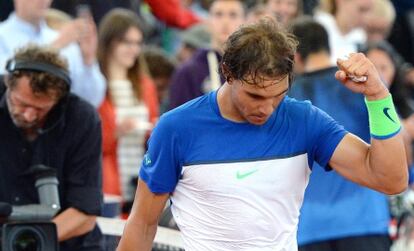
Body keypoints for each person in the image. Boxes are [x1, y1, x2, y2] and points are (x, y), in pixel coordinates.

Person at [104, 19, 407, 251]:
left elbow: (391, 180)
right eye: (255, 95)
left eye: (278, 96)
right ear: (227, 72)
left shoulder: (304, 120)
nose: (266, 108)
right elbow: (142, 223)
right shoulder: (176, 129)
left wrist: (378, 97)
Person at [288, 16, 407, 251]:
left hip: (309, 229)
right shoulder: (360, 86)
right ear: (327, 47)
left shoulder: (285, 99)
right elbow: (395, 145)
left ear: (294, 55)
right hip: (364, 221)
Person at [0, 45, 104, 251]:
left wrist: (24, 244)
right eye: (21, 103)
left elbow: (85, 213)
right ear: (8, 84)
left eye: (41, 108)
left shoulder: (82, 119)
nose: (28, 115)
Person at [97, 9, 159, 212]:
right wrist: (116, 132)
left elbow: (152, 141)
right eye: (126, 42)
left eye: (137, 43)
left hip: (139, 176)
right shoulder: (95, 85)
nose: (133, 49)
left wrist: (157, 131)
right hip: (108, 178)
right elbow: (88, 142)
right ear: (109, 42)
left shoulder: (145, 85)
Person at [0, 0, 106, 108]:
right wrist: (55, 46)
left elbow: (92, 99)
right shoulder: (2, 35)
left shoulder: (63, 39)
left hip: (60, 120)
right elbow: (5, 82)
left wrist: (88, 60)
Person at [167, 0, 245, 110]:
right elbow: (175, 121)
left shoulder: (252, 68)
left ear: (245, 22)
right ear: (208, 22)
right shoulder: (188, 72)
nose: (225, 21)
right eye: (218, 15)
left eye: (233, 15)